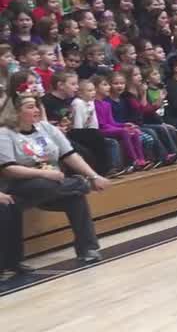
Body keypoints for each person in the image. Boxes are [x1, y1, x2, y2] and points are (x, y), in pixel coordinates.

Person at [0, 92, 109, 263]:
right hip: (21, 187)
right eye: (30, 107)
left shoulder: (47, 128)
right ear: (16, 111)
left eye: (37, 105)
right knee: (47, 184)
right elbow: (9, 169)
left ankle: (88, 249)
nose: (36, 110)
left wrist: (93, 176)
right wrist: (45, 173)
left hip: (53, 186)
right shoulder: (5, 134)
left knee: (75, 197)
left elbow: (70, 155)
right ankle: (79, 183)